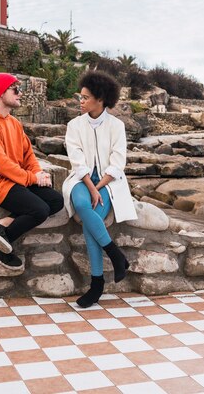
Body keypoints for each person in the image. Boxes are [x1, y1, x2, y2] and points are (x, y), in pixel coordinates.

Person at [0, 73, 64, 270]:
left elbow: (28, 154)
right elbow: (1, 164)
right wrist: (31, 178)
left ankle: (0, 225)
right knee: (39, 210)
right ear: (1, 93)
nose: (20, 94)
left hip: (14, 180)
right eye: (15, 89)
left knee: (56, 201)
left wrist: (38, 175)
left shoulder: (13, 123)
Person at [62, 71, 137, 308]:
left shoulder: (117, 126)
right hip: (80, 180)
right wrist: (90, 187)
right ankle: (115, 255)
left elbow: (118, 163)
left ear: (101, 99)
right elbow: (76, 160)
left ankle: (97, 283)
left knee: (90, 221)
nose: (81, 102)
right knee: (84, 205)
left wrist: (99, 186)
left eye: (85, 98)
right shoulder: (74, 125)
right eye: (80, 97)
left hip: (108, 182)